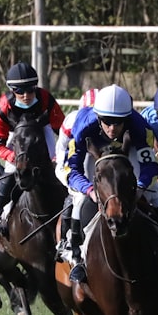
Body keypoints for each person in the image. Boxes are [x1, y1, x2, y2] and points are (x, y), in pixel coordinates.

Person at [64, 84, 158, 283]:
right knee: (80, 199)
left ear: (127, 118)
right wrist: (89, 189)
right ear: (98, 117)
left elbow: (151, 167)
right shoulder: (83, 128)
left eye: (118, 122)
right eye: (106, 122)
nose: (112, 128)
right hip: (95, 157)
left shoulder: (140, 127)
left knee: (155, 191)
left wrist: (141, 188)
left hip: (128, 154)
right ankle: (76, 256)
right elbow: (72, 169)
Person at [0, 62, 66, 236]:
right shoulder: (3, 107)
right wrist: (12, 157)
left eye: (31, 90)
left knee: (59, 166)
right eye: (19, 91)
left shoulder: (46, 98)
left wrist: (58, 157)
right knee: (10, 173)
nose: (26, 95)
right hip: (15, 137)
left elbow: (62, 130)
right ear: (11, 90)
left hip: (42, 131)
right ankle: (0, 214)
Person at [54, 88, 99, 261]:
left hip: (98, 155)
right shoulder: (72, 122)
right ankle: (66, 241)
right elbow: (64, 155)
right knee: (79, 195)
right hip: (69, 161)